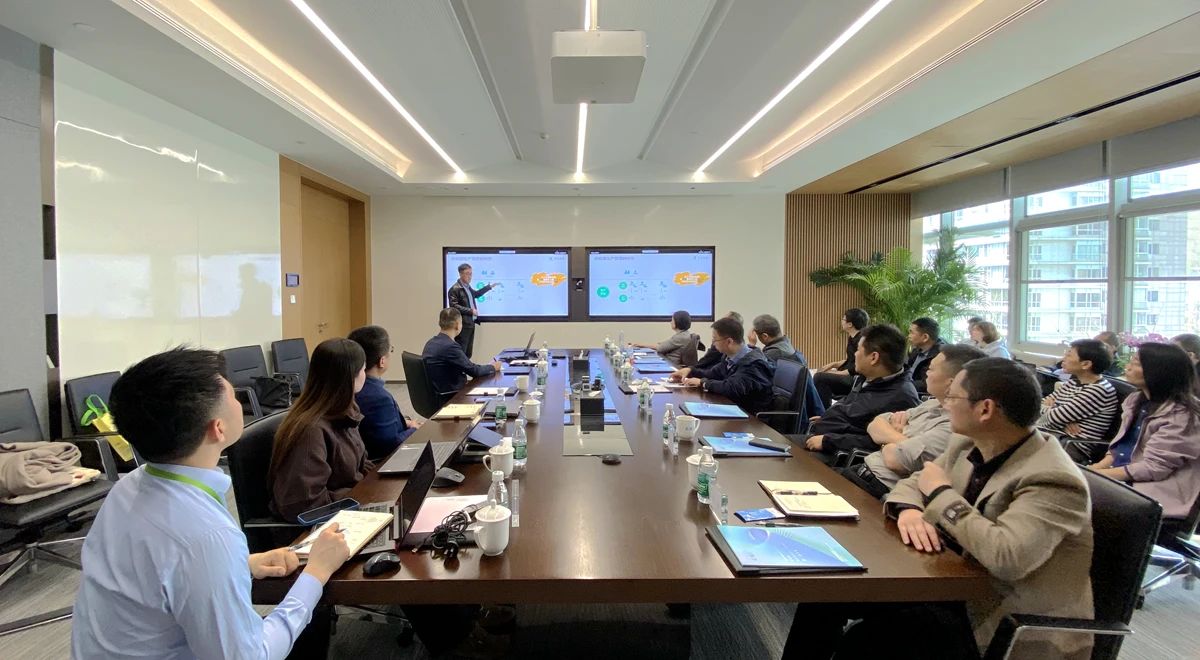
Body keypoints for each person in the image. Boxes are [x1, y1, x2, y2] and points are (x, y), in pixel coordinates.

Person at [783, 359, 1094, 660]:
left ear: (985, 409)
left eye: (953, 398)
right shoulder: (968, 443)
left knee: (869, 639)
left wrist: (941, 494)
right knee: (827, 595)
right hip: (948, 583)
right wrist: (909, 509)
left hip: (999, 617)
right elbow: (913, 483)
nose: (944, 405)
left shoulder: (1052, 478)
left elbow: (1007, 557)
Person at [72, 348, 352, 659]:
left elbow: (157, 575)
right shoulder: (206, 536)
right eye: (233, 396)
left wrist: (243, 564)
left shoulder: (129, 486)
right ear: (218, 428)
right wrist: (317, 573)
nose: (239, 403)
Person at [842, 344, 986, 499]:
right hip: (860, 470)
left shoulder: (954, 426)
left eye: (931, 369)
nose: (926, 374)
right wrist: (902, 440)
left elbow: (894, 460)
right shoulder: (932, 404)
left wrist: (889, 439)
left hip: (878, 488)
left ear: (951, 383)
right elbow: (875, 423)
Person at [1088, 342, 1200, 519]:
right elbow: (1120, 450)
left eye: (1136, 363)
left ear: (1160, 371)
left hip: (1154, 492)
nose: (1127, 367)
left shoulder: (1182, 415)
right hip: (1124, 480)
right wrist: (1092, 470)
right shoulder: (1136, 401)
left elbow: (1154, 469)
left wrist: (1097, 477)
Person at [269, 338, 370, 523]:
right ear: (351, 377)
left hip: (349, 507)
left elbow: (357, 466)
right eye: (363, 369)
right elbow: (304, 504)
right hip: (325, 525)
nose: (365, 374)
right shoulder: (310, 431)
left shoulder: (344, 412)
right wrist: (359, 495)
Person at [803, 324, 920, 464]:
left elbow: (879, 442)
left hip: (836, 454)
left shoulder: (902, 397)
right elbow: (851, 410)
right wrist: (828, 418)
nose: (855, 354)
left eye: (858, 350)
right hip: (821, 438)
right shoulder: (869, 378)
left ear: (873, 357)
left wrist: (829, 441)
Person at [348, 325, 424, 461]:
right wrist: (414, 429)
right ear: (382, 361)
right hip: (382, 464)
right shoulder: (378, 398)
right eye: (391, 350)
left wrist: (404, 423)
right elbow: (390, 446)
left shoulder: (346, 387)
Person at [669, 316, 773, 414]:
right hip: (733, 408)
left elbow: (731, 387)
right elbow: (712, 373)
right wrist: (690, 371)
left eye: (715, 339)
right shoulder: (729, 357)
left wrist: (702, 382)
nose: (713, 343)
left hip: (751, 417)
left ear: (729, 342)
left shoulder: (754, 364)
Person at [1037, 339, 1120, 443]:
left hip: (1070, 444)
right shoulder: (1073, 382)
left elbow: (1053, 417)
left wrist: (1055, 414)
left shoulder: (1098, 390)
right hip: (1054, 435)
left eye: (1069, 355)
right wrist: (1063, 420)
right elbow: (1037, 408)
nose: (1063, 359)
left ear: (1086, 364)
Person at [747, 313, 825, 419]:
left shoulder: (776, 353)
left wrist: (752, 345)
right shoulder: (785, 344)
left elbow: (750, 370)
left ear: (765, 336)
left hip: (778, 411)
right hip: (793, 408)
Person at [423, 308, 502, 397]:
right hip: (451, 396)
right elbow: (474, 371)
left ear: (440, 323)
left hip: (437, 394)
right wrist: (493, 367)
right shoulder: (450, 346)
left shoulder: (430, 343)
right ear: (457, 325)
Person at [813, 308, 870, 408]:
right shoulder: (852, 337)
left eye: (843, 319)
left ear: (850, 324)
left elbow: (856, 368)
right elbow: (850, 360)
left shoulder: (861, 341)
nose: (841, 321)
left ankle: (823, 411)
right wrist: (832, 365)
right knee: (820, 373)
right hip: (848, 374)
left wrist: (835, 373)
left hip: (854, 379)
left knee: (819, 377)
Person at [446, 262, 500, 358]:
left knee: (468, 353)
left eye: (471, 274)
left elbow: (476, 294)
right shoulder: (455, 289)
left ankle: (465, 367)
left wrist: (488, 287)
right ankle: (461, 368)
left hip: (470, 323)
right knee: (461, 353)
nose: (470, 276)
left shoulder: (467, 287)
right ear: (460, 274)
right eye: (467, 274)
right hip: (462, 325)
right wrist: (470, 311)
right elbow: (454, 306)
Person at [628, 310, 694, 367]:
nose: (670, 322)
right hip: (668, 362)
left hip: (670, 365)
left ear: (677, 322)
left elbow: (660, 348)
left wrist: (641, 345)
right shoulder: (683, 334)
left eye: (672, 320)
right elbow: (663, 344)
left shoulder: (681, 337)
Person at [905, 317, 946, 393]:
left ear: (925, 337)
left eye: (911, 332)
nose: (908, 336)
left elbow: (927, 383)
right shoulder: (916, 350)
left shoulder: (941, 356)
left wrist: (904, 385)